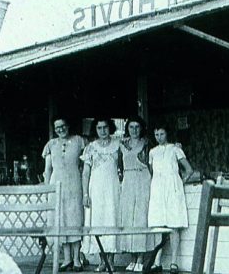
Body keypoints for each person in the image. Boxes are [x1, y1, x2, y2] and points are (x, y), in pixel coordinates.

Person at [147, 125, 193, 274]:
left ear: (167, 134)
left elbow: (189, 169)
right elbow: (152, 171)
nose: (159, 137)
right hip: (158, 189)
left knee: (173, 225)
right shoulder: (152, 152)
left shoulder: (175, 149)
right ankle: (157, 261)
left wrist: (180, 182)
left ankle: (174, 262)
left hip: (172, 188)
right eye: (156, 134)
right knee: (158, 225)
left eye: (161, 133)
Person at [42, 117, 86, 272]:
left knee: (74, 219)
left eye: (63, 126)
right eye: (57, 127)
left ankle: (77, 259)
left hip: (74, 184)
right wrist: (48, 189)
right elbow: (48, 169)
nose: (60, 129)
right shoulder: (51, 144)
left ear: (68, 125)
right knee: (61, 220)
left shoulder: (79, 141)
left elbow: (85, 164)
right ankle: (66, 258)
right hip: (57, 185)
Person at [81, 118, 121, 272]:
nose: (103, 131)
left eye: (105, 127)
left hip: (112, 189)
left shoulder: (118, 145)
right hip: (95, 190)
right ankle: (102, 260)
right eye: (99, 128)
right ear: (95, 129)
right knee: (97, 222)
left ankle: (110, 260)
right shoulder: (90, 148)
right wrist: (85, 194)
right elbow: (85, 173)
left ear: (109, 128)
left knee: (111, 220)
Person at [118, 116, 155, 272]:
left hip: (143, 179)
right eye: (131, 127)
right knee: (128, 219)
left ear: (141, 128)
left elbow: (152, 163)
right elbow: (119, 165)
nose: (134, 130)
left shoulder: (147, 143)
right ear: (127, 128)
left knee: (140, 218)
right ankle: (132, 258)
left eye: (137, 127)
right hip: (128, 180)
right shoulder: (122, 144)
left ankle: (141, 258)